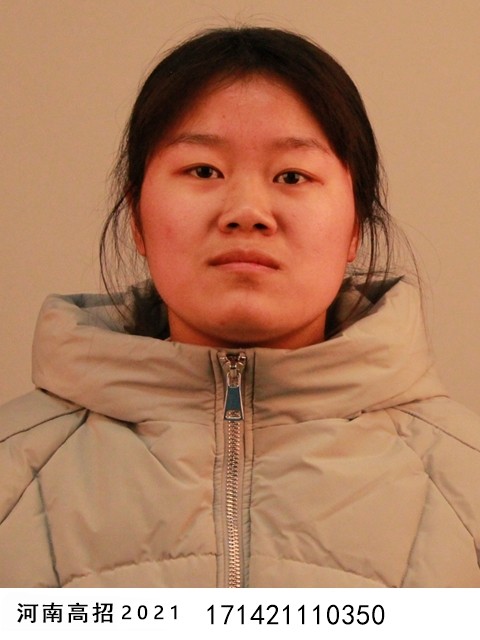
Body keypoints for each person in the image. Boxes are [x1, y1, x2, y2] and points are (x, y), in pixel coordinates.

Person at [1, 26, 479, 588]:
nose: (247, 211)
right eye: (203, 171)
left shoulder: (466, 480)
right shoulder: (14, 471)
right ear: (136, 218)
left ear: (355, 226)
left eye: (292, 176)